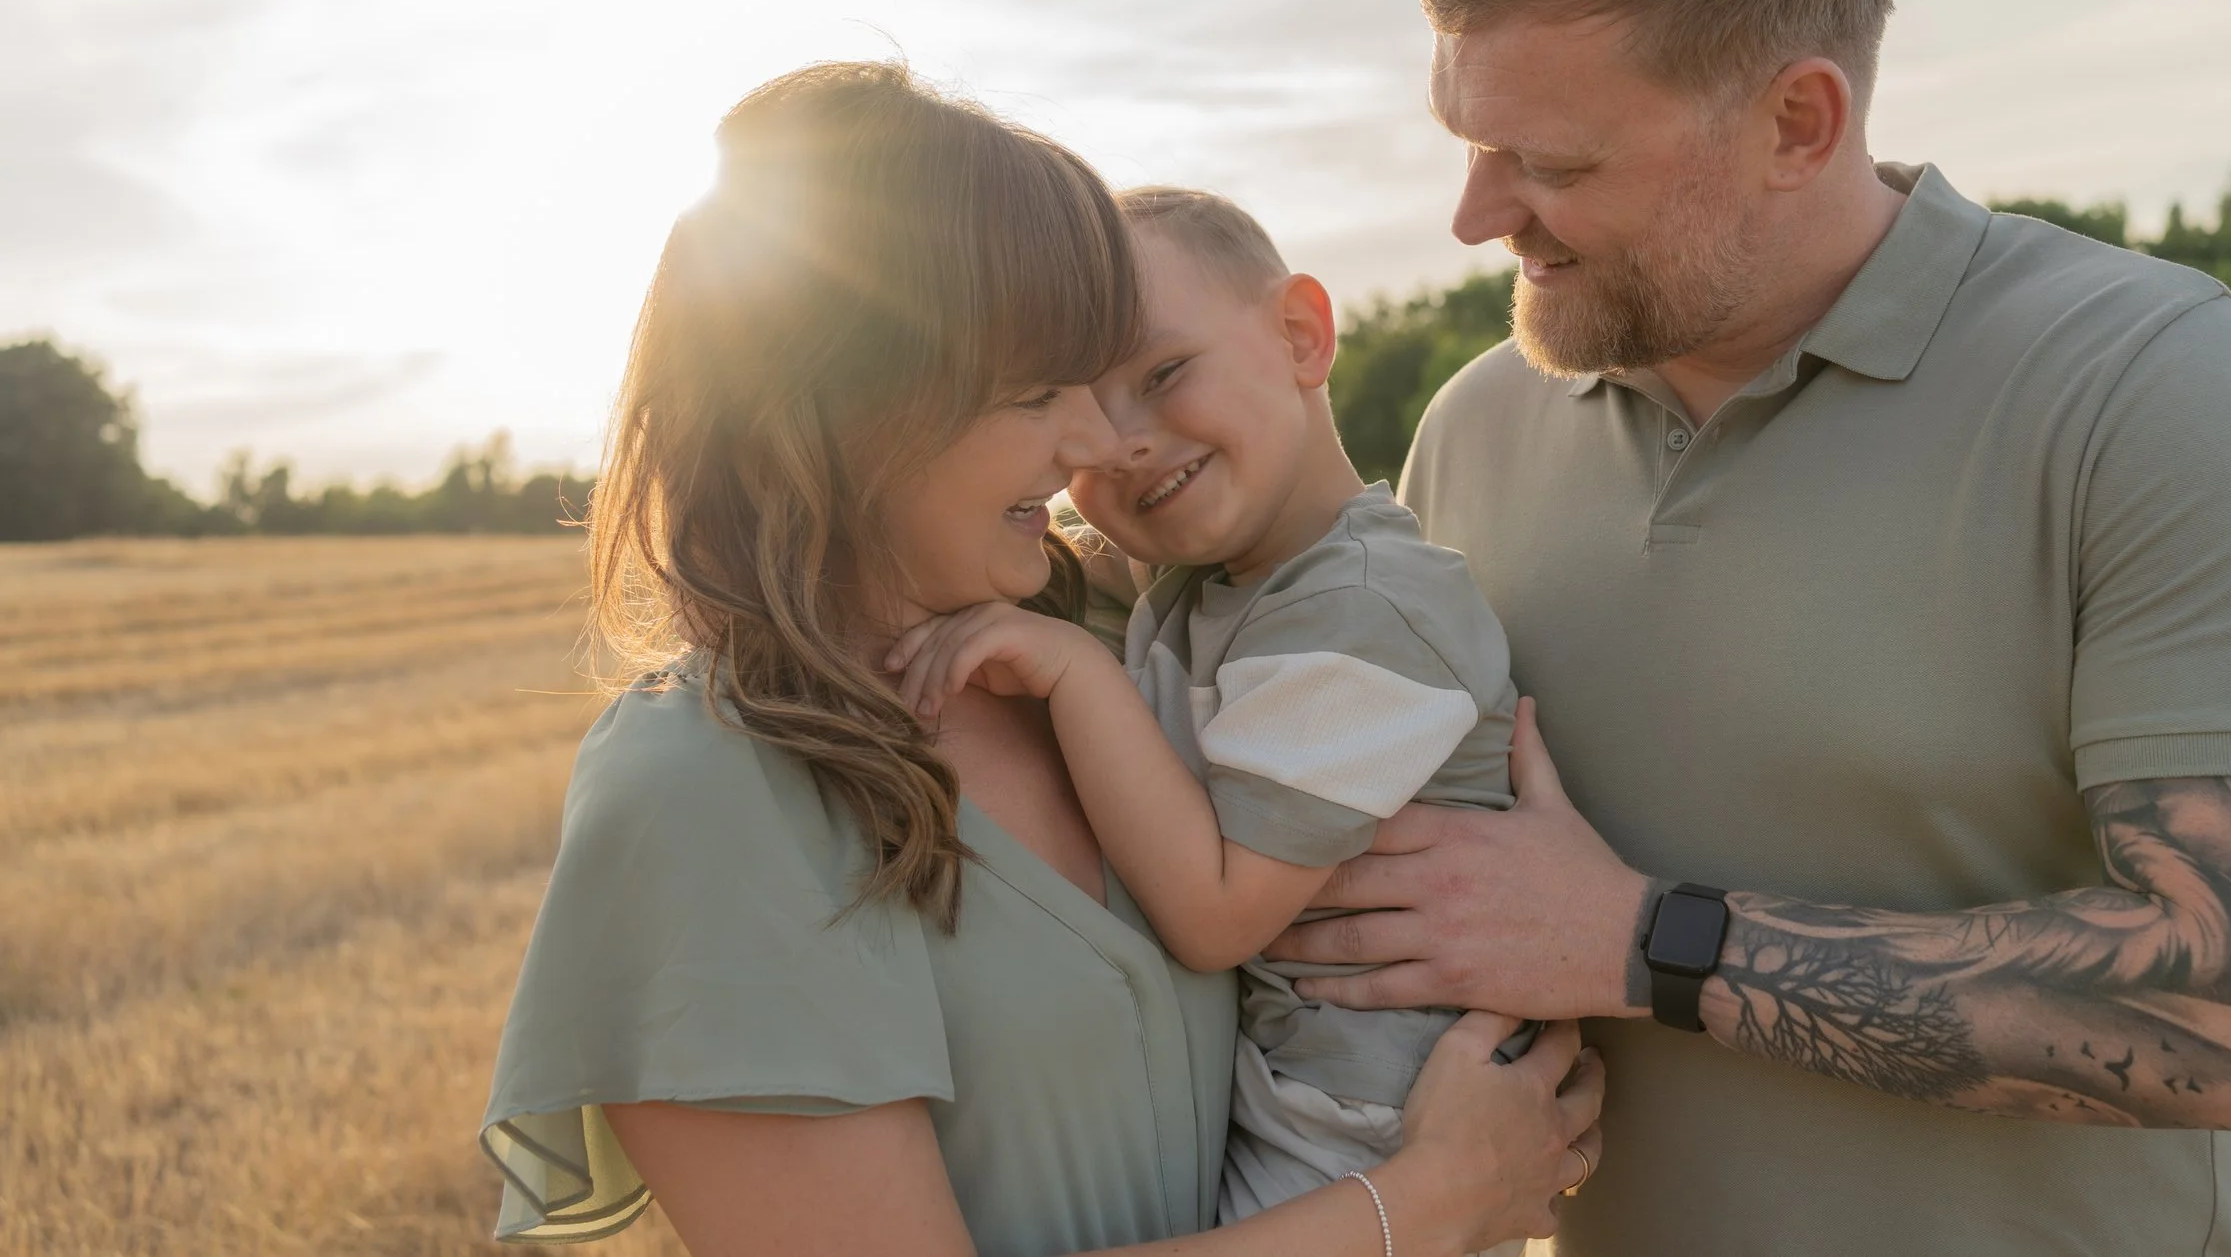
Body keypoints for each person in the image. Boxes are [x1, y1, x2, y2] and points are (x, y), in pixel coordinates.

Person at [1262, 0, 2231, 1255]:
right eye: (1468, 140)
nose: (1477, 214)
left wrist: (1642, 940)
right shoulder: (1475, 425)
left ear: (1799, 119)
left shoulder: (2147, 383)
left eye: (1555, 162)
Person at [476, 62, 1604, 1257]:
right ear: (852, 409)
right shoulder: (702, 786)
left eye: (1121, 376)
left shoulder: (1105, 638)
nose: (1090, 443)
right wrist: (1424, 1204)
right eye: (1035, 390)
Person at [887, 187, 1549, 1253]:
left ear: (1300, 333)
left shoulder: (1370, 607)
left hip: (1367, 1125)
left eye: (1161, 375)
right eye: (1083, 426)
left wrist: (1068, 670)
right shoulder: (1210, 587)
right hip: (1289, 1095)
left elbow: (1217, 910)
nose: (1126, 445)